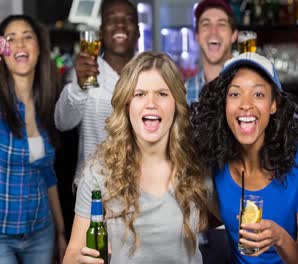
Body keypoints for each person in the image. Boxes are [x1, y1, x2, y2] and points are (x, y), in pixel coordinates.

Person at [63, 51, 211, 264]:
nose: (151, 103)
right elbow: (72, 255)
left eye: (162, 93)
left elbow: (235, 218)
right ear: (126, 105)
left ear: (176, 103)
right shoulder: (99, 171)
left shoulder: (197, 165)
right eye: (139, 94)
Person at [191, 52, 298, 263]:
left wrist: (280, 239)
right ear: (224, 104)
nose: (246, 104)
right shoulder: (214, 160)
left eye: (258, 95)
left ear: (274, 104)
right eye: (235, 94)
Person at [0, 15, 66, 263]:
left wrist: (60, 232)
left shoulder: (48, 104)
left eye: (28, 37)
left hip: (41, 232)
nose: (20, 45)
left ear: (39, 49)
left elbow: (48, 175)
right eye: (11, 39)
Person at [55, 0, 140, 186]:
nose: (120, 25)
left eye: (128, 19)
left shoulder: (149, 74)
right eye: (112, 19)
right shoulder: (83, 73)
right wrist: (79, 85)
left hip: (140, 188)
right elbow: (62, 122)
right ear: (101, 32)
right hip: (93, 190)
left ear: (138, 31)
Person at [186, 0, 238, 105]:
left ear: (234, 35)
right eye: (206, 24)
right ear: (196, 36)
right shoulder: (185, 92)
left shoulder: (249, 87)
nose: (213, 32)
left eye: (221, 24)